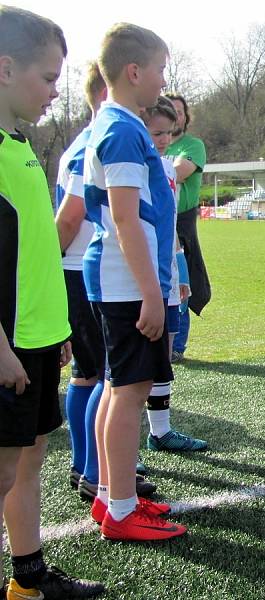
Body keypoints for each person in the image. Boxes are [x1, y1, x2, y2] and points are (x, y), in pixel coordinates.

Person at [0, 6, 105, 598]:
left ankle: (28, 579)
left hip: (35, 336)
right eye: (47, 77)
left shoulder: (17, 145)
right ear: (5, 68)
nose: (54, 91)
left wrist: (56, 327)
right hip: (6, 345)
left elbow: (34, 252)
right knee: (2, 472)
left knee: (26, 463)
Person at [83, 22, 186, 541]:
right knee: (129, 393)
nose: (163, 81)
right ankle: (122, 508)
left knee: (118, 390)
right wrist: (152, 292)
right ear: (134, 71)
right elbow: (125, 218)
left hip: (123, 281)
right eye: (161, 69)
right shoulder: (123, 129)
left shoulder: (113, 125)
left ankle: (110, 496)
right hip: (128, 284)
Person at [54, 62, 107, 502]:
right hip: (82, 272)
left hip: (76, 271)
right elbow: (69, 217)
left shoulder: (80, 142)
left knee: (86, 375)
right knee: (103, 376)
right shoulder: (92, 143)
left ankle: (83, 463)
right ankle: (94, 468)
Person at [142, 96, 208, 452]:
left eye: (169, 132)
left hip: (166, 275)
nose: (165, 139)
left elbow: (170, 227)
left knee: (163, 357)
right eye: (157, 132)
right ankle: (112, 460)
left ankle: (160, 431)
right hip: (136, 281)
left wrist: (178, 270)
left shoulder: (168, 169)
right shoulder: (132, 165)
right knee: (126, 372)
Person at [163, 92, 210, 363]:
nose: (175, 116)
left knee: (182, 278)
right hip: (155, 218)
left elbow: (178, 173)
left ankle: (177, 345)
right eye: (169, 110)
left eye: (179, 111)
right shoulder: (154, 143)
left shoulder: (193, 145)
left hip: (182, 220)